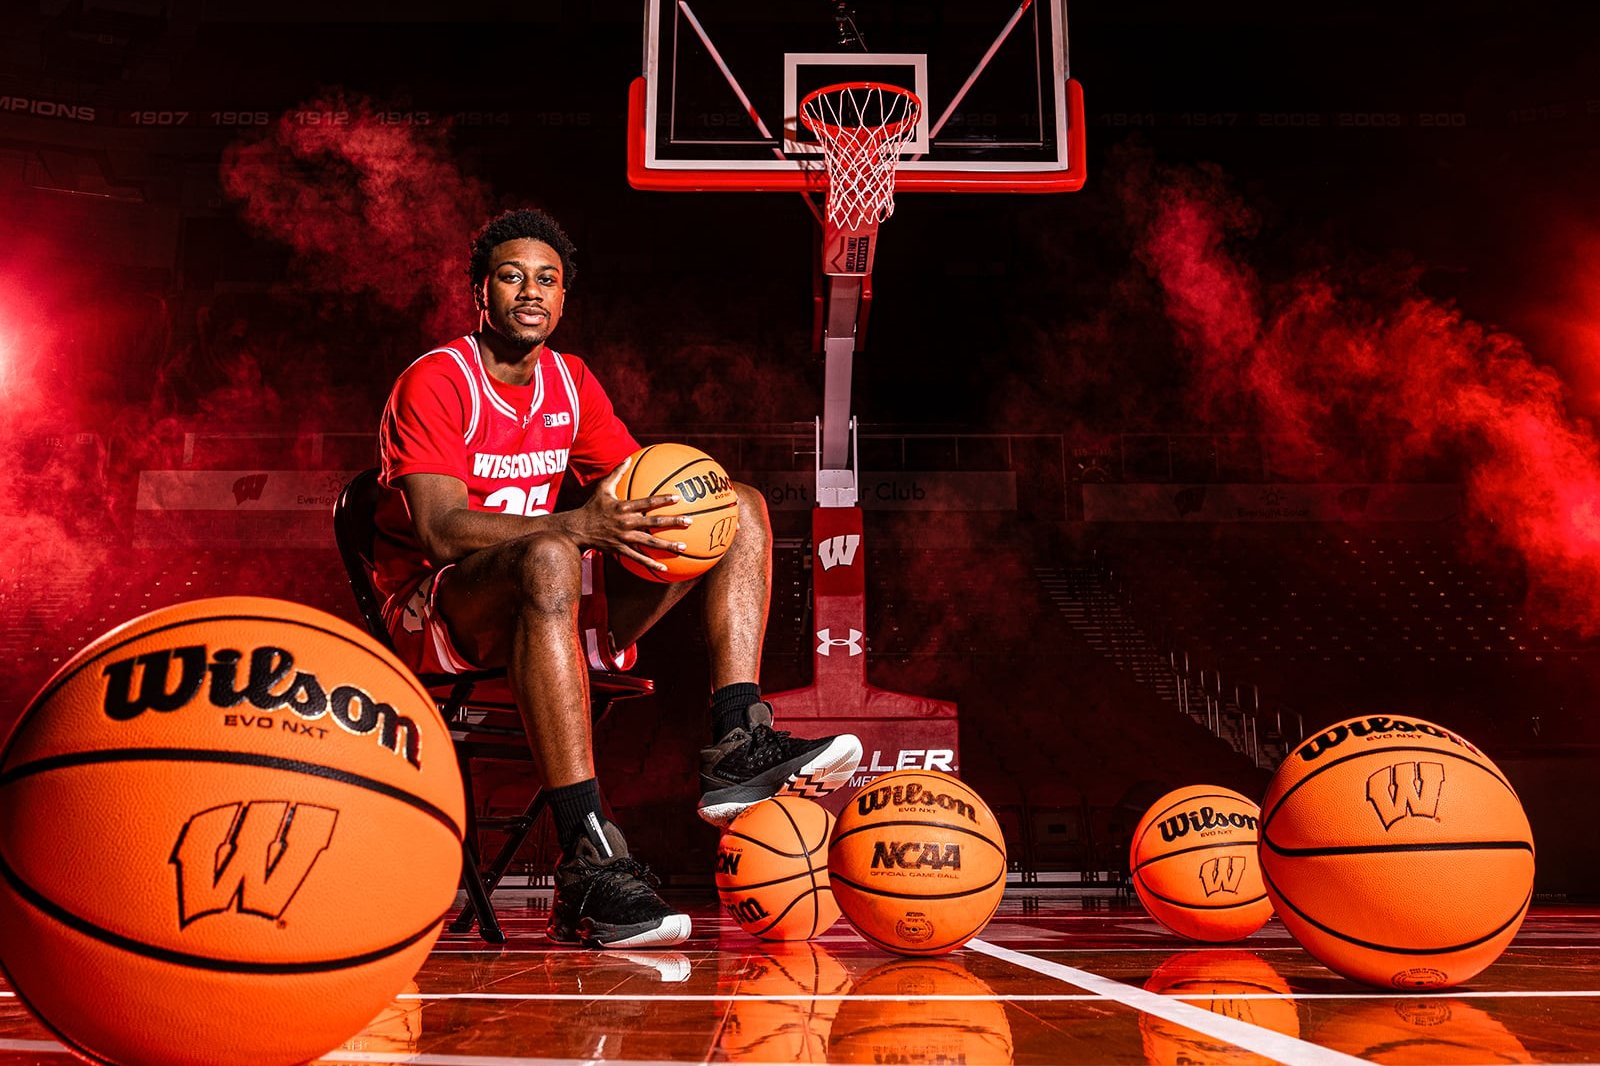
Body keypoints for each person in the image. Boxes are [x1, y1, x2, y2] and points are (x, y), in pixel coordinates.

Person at [372, 208, 863, 949]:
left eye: (548, 279)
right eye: (511, 276)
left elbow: (640, 500)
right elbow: (440, 532)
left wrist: (679, 510)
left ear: (564, 300)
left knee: (738, 508)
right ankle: (589, 860)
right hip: (439, 616)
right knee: (551, 554)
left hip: (549, 600)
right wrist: (574, 527)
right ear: (480, 292)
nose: (530, 291)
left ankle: (735, 740)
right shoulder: (438, 381)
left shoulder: (571, 383)